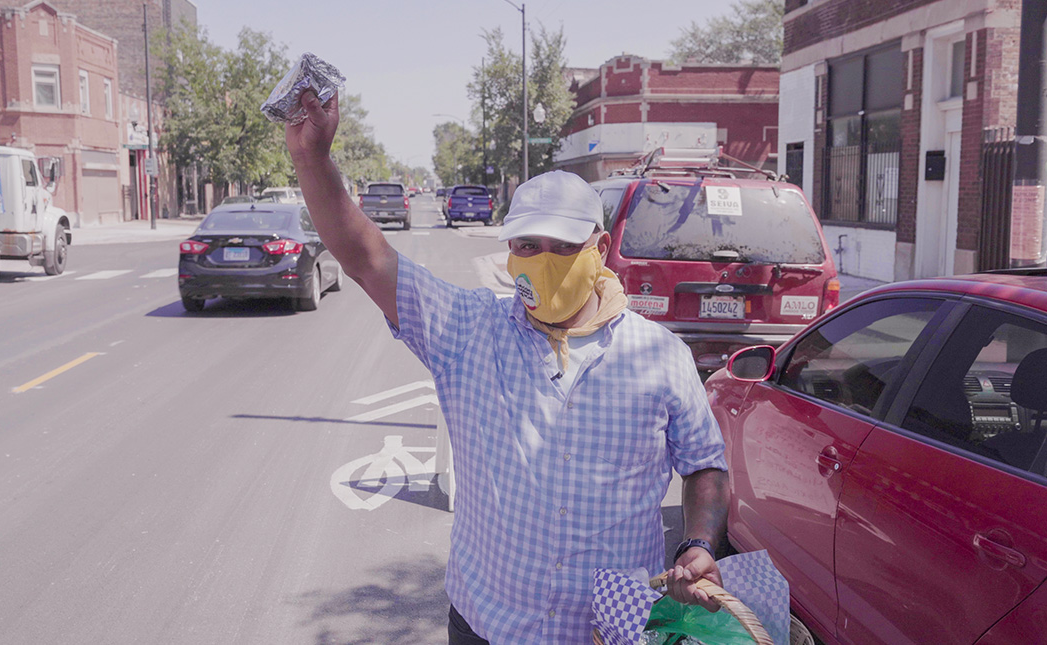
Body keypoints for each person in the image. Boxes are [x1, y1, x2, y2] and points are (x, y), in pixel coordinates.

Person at [285, 90, 730, 645]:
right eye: (526, 244)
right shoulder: (468, 330)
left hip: (606, 630)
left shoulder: (661, 356)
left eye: (563, 246)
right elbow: (366, 257)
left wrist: (700, 543)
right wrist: (312, 160)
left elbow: (704, 463)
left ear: (601, 248)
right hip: (486, 623)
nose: (542, 261)